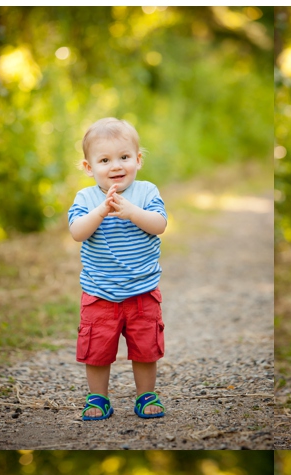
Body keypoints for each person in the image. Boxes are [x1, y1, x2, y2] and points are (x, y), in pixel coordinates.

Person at [68, 118, 168, 422]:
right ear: (89, 167)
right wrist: (101, 211)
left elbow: (160, 225)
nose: (116, 166)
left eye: (124, 157)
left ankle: (146, 395)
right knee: (97, 350)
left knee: (145, 348)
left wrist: (132, 213)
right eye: (105, 160)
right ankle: (98, 397)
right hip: (100, 292)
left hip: (142, 291)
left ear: (137, 160)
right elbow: (77, 232)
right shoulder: (86, 199)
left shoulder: (147, 192)